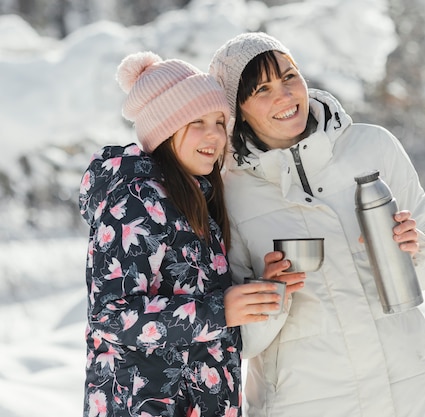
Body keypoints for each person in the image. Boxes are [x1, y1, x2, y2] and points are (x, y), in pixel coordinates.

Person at [208, 32, 425, 417]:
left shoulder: (374, 147)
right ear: (237, 108)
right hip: (305, 400)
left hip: (410, 388)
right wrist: (271, 294)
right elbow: (239, 341)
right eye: (262, 89)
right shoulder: (229, 192)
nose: (285, 96)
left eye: (290, 76)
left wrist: (415, 246)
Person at [78, 51, 282, 417]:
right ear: (165, 128)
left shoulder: (196, 198)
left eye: (220, 122)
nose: (214, 135)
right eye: (196, 122)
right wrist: (220, 311)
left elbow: (193, 294)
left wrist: (256, 288)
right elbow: (111, 315)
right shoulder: (135, 201)